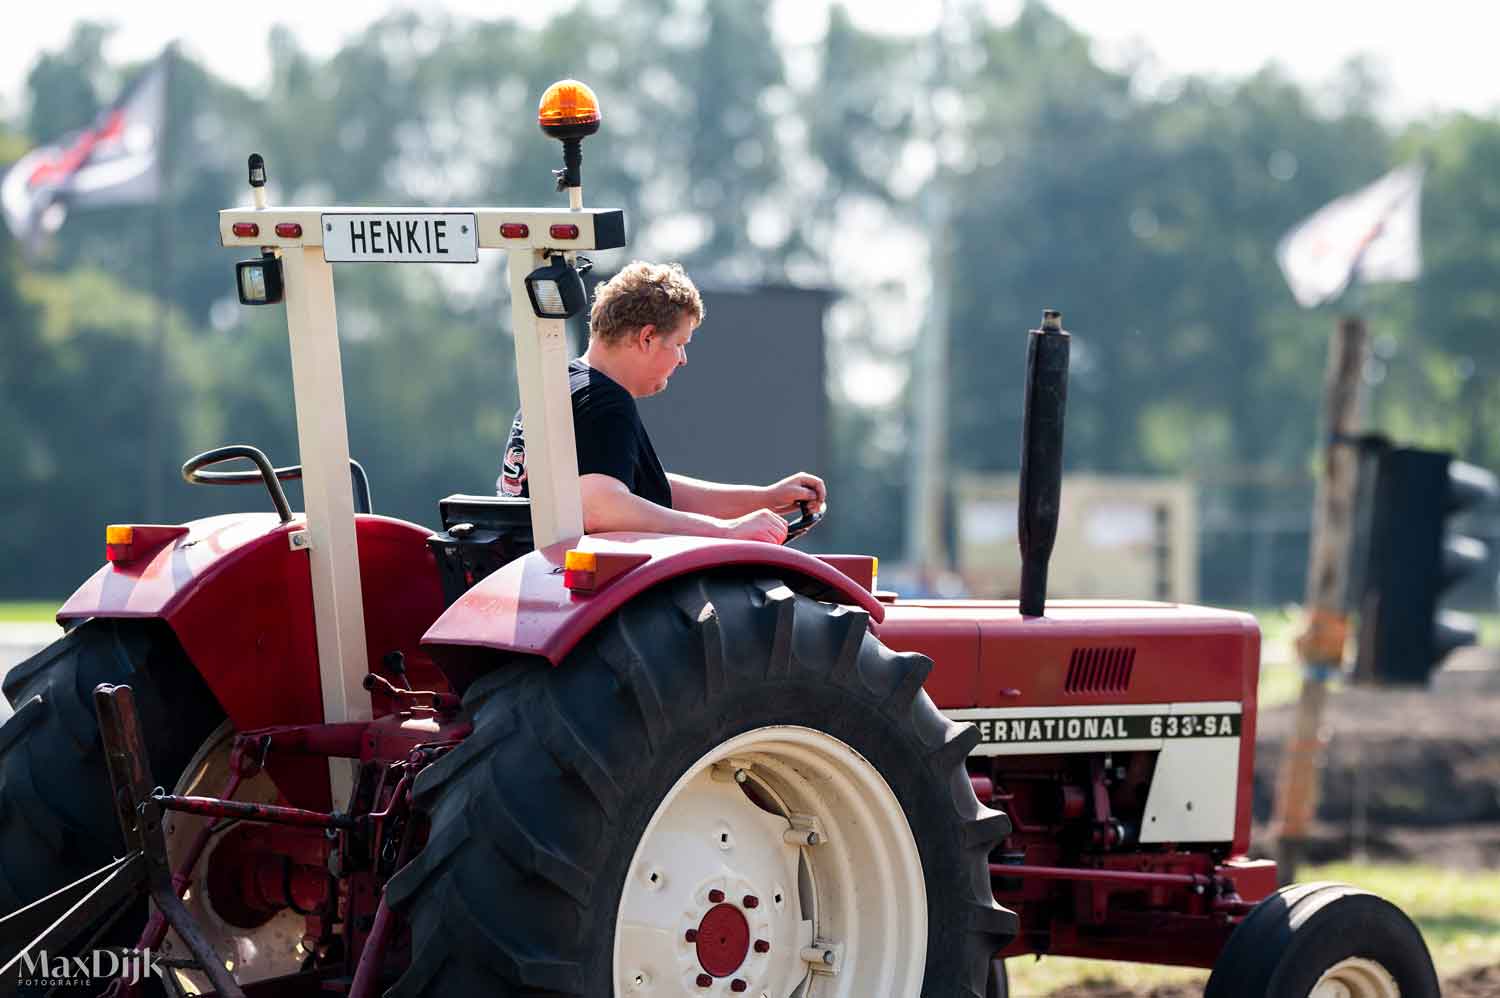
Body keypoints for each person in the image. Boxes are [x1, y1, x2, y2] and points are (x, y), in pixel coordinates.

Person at [498, 260, 825, 544]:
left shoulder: (565, 385)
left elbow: (646, 490)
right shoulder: (605, 399)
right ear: (647, 337)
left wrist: (763, 499)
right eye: (680, 344)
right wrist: (725, 532)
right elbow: (601, 507)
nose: (682, 359)